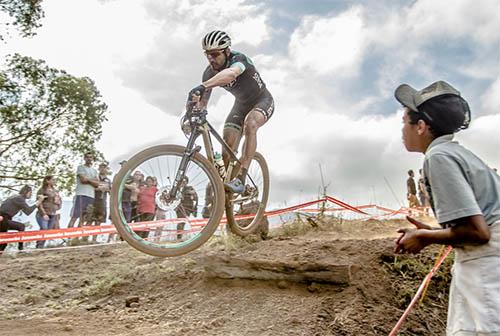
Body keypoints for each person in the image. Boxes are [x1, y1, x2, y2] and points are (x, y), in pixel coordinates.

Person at [394, 80, 500, 335]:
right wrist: (434, 230)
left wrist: (424, 237)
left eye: (404, 121)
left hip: (486, 267)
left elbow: (479, 232)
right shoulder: (459, 154)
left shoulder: (439, 157)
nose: (401, 129)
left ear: (420, 126)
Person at [188, 30, 274, 194]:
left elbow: (231, 73)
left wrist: (204, 86)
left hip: (262, 100)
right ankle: (226, 190)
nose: (211, 59)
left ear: (227, 51)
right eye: (207, 55)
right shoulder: (209, 72)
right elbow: (202, 105)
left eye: (214, 54)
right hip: (240, 106)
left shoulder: (238, 59)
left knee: (251, 124)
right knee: (227, 149)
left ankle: (241, 178)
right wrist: (193, 112)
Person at [1, 185, 45, 252]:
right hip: (3, 219)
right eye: (30, 193)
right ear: (25, 192)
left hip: (4, 219)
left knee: (3, 242)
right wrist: (39, 201)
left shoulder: (16, 197)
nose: (31, 195)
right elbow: (29, 211)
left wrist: (37, 202)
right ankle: (21, 249)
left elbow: (27, 211)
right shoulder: (19, 198)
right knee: (21, 226)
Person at [67, 152, 99, 228]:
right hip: (81, 194)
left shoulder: (94, 171)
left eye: (91, 157)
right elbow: (83, 180)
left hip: (91, 195)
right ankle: (68, 237)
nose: (89, 159)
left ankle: (76, 238)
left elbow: (97, 184)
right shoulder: (81, 167)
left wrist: (88, 179)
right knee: (75, 216)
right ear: (84, 158)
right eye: (87, 157)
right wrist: (92, 180)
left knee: (83, 218)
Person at [35, 175, 60, 248]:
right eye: (53, 180)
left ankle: (41, 246)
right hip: (43, 214)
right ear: (47, 181)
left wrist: (58, 203)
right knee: (44, 229)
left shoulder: (55, 191)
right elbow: (39, 203)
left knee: (47, 232)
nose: (54, 181)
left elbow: (59, 202)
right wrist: (43, 214)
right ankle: (38, 246)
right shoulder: (42, 190)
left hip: (52, 213)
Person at [91, 163, 112, 242]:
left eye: (105, 168)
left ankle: (94, 239)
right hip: (93, 200)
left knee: (99, 220)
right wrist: (99, 188)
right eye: (101, 168)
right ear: (99, 169)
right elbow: (91, 188)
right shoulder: (95, 178)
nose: (103, 169)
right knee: (89, 219)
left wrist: (108, 189)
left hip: (102, 201)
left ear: (107, 169)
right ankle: (84, 238)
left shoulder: (108, 180)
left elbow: (110, 191)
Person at [175, 176, 198, 240]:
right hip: (180, 207)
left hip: (188, 207)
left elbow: (195, 195)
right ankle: (179, 237)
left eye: (185, 181)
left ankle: (179, 237)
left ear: (187, 182)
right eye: (182, 181)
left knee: (183, 222)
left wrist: (195, 209)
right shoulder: (177, 189)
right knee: (181, 221)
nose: (183, 182)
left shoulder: (189, 188)